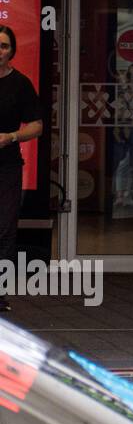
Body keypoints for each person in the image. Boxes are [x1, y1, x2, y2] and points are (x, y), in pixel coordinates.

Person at [0, 26, 43, 313]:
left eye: (4, 46)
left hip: (7, 167)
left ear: (12, 51)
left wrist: (12, 137)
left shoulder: (21, 84)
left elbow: (37, 126)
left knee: (4, 229)